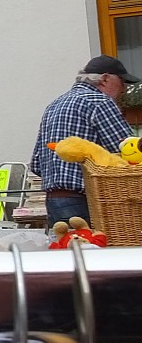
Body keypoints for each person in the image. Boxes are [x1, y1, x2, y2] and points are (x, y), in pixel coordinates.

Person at [31, 56, 136, 225]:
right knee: (97, 249)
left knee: (70, 249)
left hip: (54, 201)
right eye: (122, 81)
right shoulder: (99, 101)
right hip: (86, 200)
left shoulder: (54, 104)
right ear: (105, 78)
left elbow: (36, 164)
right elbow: (128, 151)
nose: (124, 89)